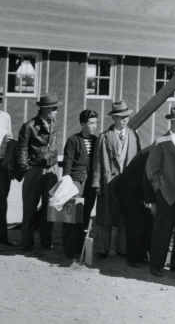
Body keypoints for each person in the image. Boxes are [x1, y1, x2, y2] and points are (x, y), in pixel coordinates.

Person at [92, 101, 141, 259]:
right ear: (114, 118)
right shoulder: (104, 137)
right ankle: (102, 250)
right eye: (121, 117)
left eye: (126, 116)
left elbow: (138, 162)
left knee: (124, 217)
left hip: (126, 184)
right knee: (105, 218)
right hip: (108, 182)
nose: (125, 119)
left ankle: (122, 249)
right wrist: (96, 184)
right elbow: (97, 162)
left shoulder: (133, 136)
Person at [146, 106, 175, 276]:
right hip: (166, 195)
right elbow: (151, 171)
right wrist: (160, 189)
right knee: (162, 231)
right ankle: (156, 265)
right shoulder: (160, 142)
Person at [18, 93, 60, 252]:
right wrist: (26, 168)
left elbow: (53, 144)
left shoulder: (54, 122)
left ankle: (46, 241)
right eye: (53, 109)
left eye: (56, 108)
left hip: (51, 170)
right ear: (44, 109)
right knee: (29, 208)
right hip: (34, 171)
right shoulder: (29, 126)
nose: (56, 112)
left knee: (49, 208)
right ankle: (27, 243)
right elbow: (22, 149)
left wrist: (54, 160)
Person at [61, 110, 98, 259]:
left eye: (95, 122)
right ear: (83, 124)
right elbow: (67, 163)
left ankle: (80, 249)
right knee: (72, 217)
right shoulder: (73, 140)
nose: (94, 126)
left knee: (86, 215)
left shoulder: (96, 140)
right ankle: (69, 249)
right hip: (75, 182)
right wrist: (67, 181)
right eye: (91, 123)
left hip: (90, 183)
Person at [114, 146, 154, 267]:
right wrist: (149, 200)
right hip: (128, 190)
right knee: (135, 223)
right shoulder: (155, 151)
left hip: (136, 189)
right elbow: (147, 177)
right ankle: (132, 259)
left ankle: (140, 255)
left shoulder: (155, 148)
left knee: (145, 222)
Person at [0, 86, 13, 247]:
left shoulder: (5, 117)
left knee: (2, 200)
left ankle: (2, 235)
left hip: (3, 163)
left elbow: (10, 137)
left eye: (0, 97)